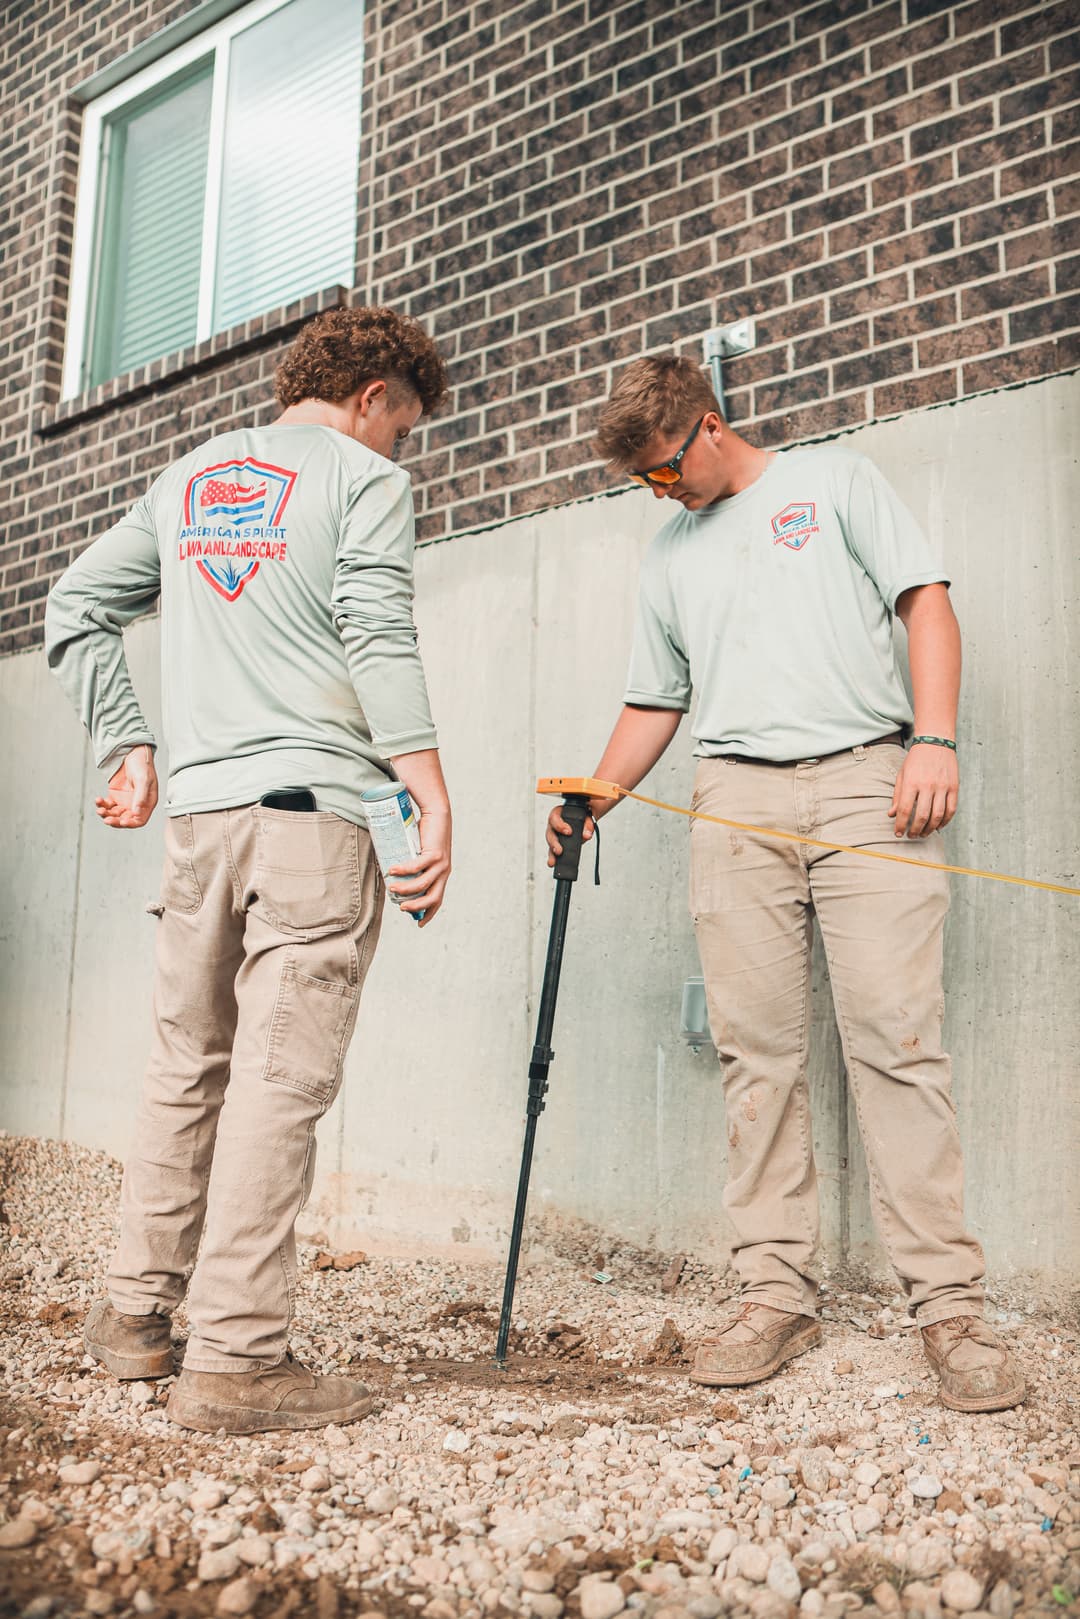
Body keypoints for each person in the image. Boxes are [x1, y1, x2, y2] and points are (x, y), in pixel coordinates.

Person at [546, 354, 1024, 1413]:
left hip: (870, 785)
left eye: (664, 471)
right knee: (755, 1051)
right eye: (643, 484)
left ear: (709, 426)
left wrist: (933, 739)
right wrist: (597, 794)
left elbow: (927, 604)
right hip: (735, 802)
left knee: (897, 1039)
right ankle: (775, 1292)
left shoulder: (836, 485)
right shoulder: (667, 553)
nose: (657, 494)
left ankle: (948, 1307)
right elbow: (654, 700)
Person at [45, 305, 453, 1434]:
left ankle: (136, 1316)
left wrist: (127, 738)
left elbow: (74, 605)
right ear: (374, 396)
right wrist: (425, 787)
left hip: (204, 818)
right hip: (313, 819)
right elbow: (373, 634)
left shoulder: (184, 481)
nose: (400, 451)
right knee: (280, 1076)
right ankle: (235, 1358)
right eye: (405, 427)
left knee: (188, 1060)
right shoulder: (363, 481)